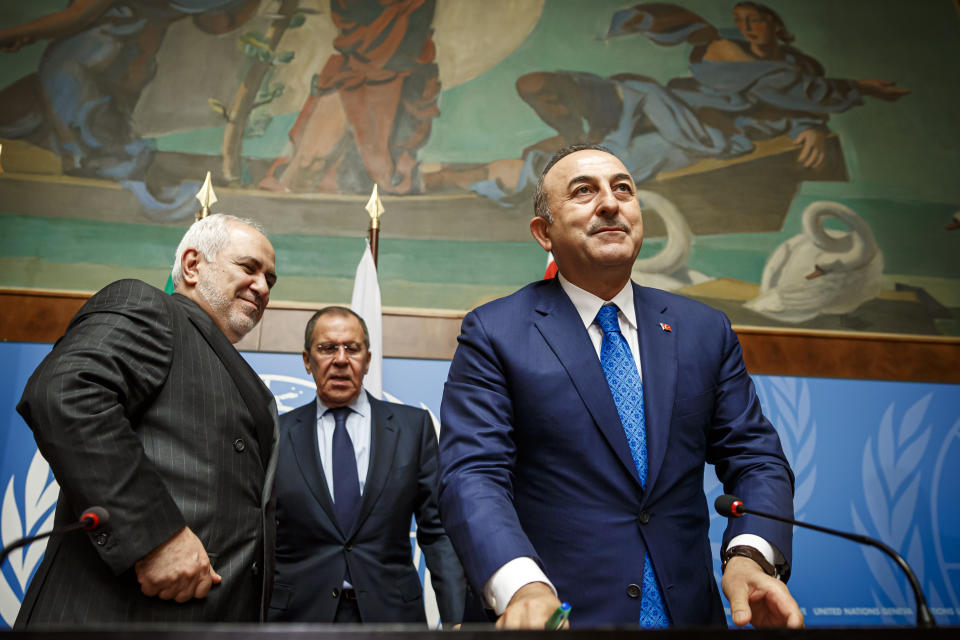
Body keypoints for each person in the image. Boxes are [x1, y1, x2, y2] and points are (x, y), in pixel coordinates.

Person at [438, 144, 803, 629]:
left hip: (688, 616)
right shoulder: (495, 331)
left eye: (623, 189)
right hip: (555, 620)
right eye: (584, 191)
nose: (610, 203)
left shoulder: (703, 329)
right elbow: (472, 475)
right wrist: (521, 586)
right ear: (544, 233)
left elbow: (756, 458)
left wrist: (750, 554)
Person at [15, 213, 279, 625]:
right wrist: (154, 537)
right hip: (117, 618)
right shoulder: (148, 305)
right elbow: (66, 392)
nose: (262, 287)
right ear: (192, 265)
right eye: (249, 268)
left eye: (270, 280)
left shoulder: (236, 372)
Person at [269, 307, 464, 624]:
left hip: (393, 616)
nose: (341, 359)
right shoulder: (276, 433)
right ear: (307, 360)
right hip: (298, 618)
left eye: (352, 348)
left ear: (368, 360)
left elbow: (438, 534)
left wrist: (456, 619)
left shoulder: (413, 429)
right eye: (328, 348)